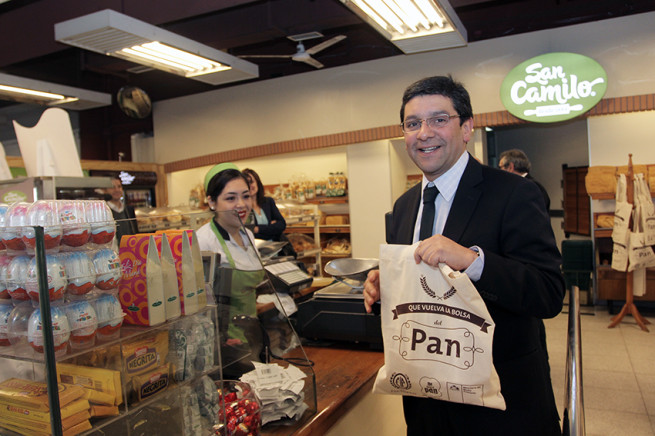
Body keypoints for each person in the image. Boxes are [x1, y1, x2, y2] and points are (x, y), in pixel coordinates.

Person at [363, 76, 565, 436]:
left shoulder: (515, 193)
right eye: (413, 124)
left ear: (467, 127)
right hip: (426, 407)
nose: (424, 133)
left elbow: (547, 293)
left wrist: (473, 262)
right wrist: (386, 286)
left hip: (503, 408)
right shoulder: (403, 207)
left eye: (439, 119)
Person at [196, 163, 265, 353]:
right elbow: (197, 305)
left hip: (251, 336)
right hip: (224, 345)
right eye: (230, 198)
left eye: (246, 196)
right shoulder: (203, 242)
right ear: (211, 202)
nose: (241, 204)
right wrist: (219, 338)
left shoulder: (247, 235)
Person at [103, 176, 138, 245]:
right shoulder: (104, 211)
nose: (117, 190)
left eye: (119, 187)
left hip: (130, 251)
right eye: (112, 187)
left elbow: (135, 233)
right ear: (105, 190)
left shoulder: (129, 210)